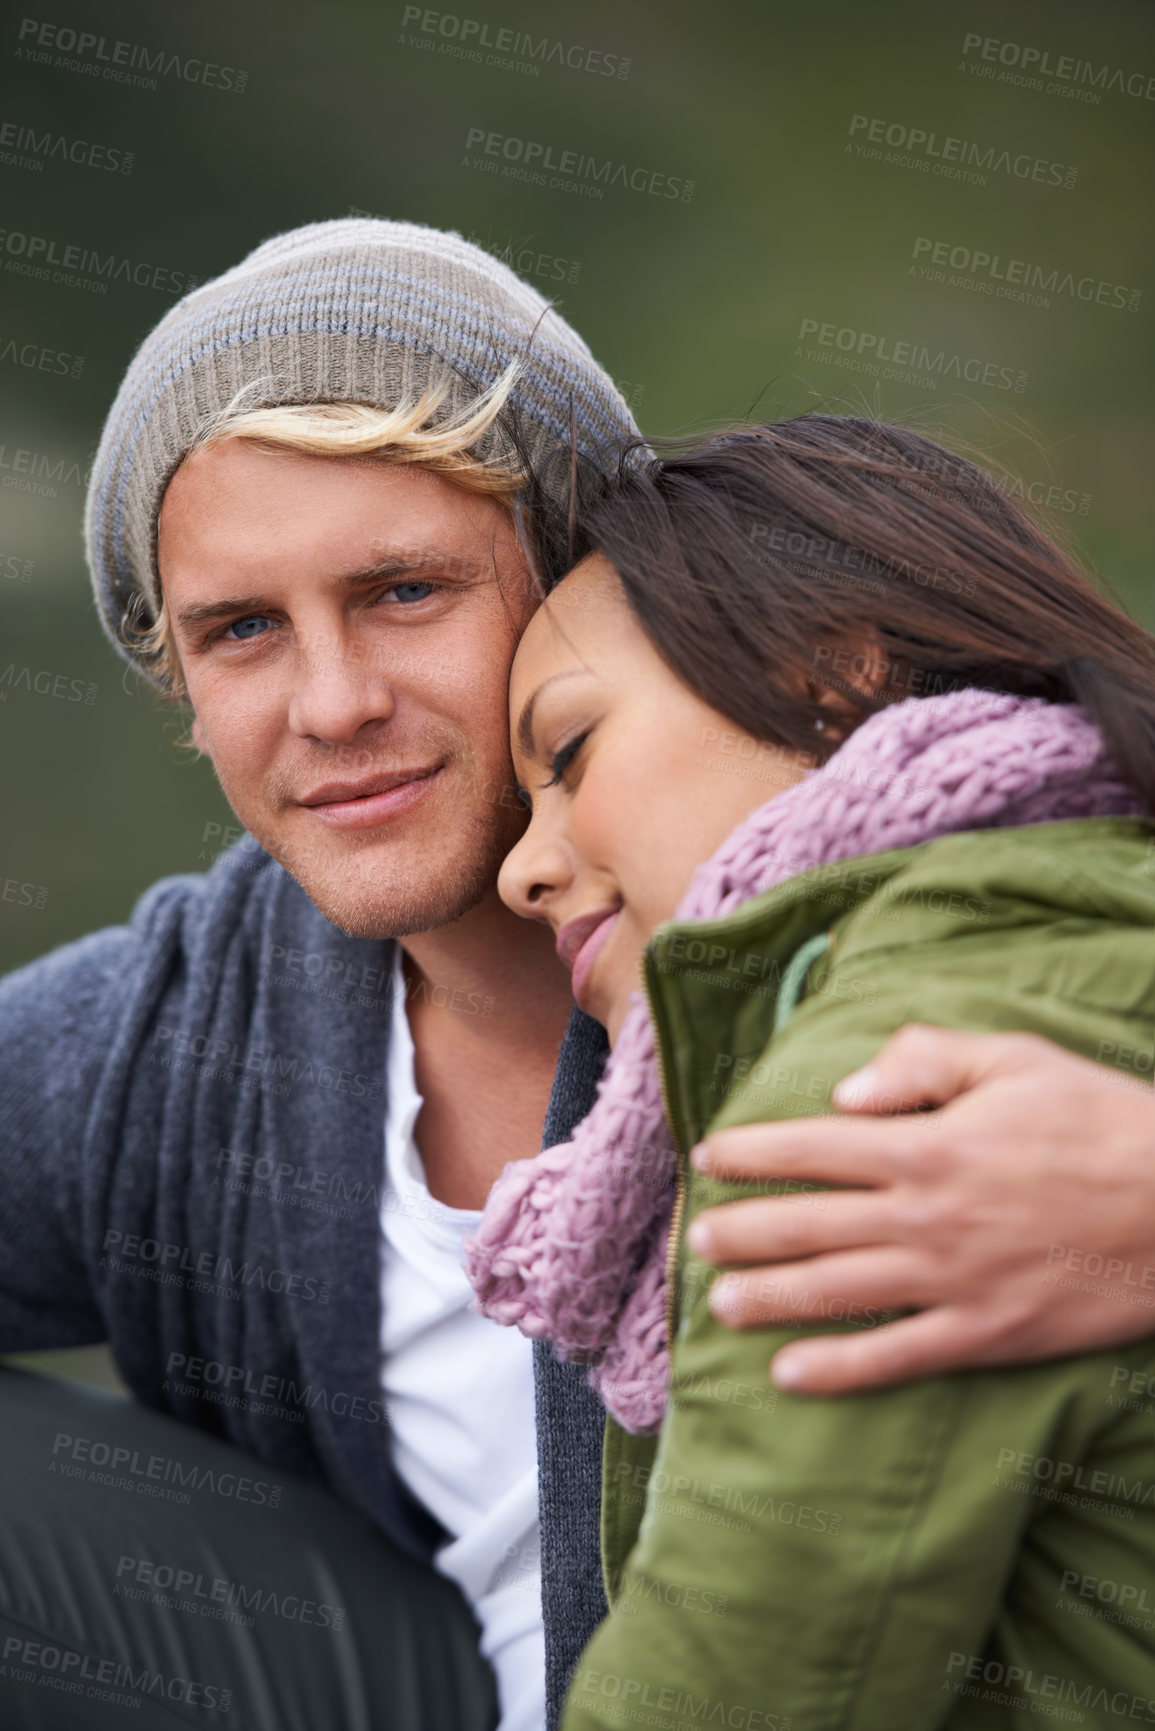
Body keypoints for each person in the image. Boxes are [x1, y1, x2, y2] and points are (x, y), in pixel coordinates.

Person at [0, 215, 1152, 1729]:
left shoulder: (894, 987)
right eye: (242, 632)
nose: (333, 704)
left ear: (583, 585)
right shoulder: (178, 1028)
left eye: (406, 591)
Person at [469, 415, 1155, 1727]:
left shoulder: (872, 1083)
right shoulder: (1085, 919)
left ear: (827, 681)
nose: (523, 869)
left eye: (567, 758)